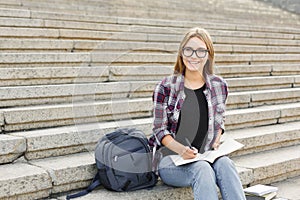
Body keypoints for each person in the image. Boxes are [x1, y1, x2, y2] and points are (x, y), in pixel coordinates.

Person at [148, 27, 246, 200]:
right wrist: (181, 150)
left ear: (208, 54)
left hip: (205, 154)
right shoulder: (165, 87)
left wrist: (217, 138)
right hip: (171, 160)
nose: (194, 56)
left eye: (201, 51)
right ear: (181, 52)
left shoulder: (219, 86)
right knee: (202, 169)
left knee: (226, 164)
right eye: (189, 50)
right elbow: (159, 130)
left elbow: (219, 121)